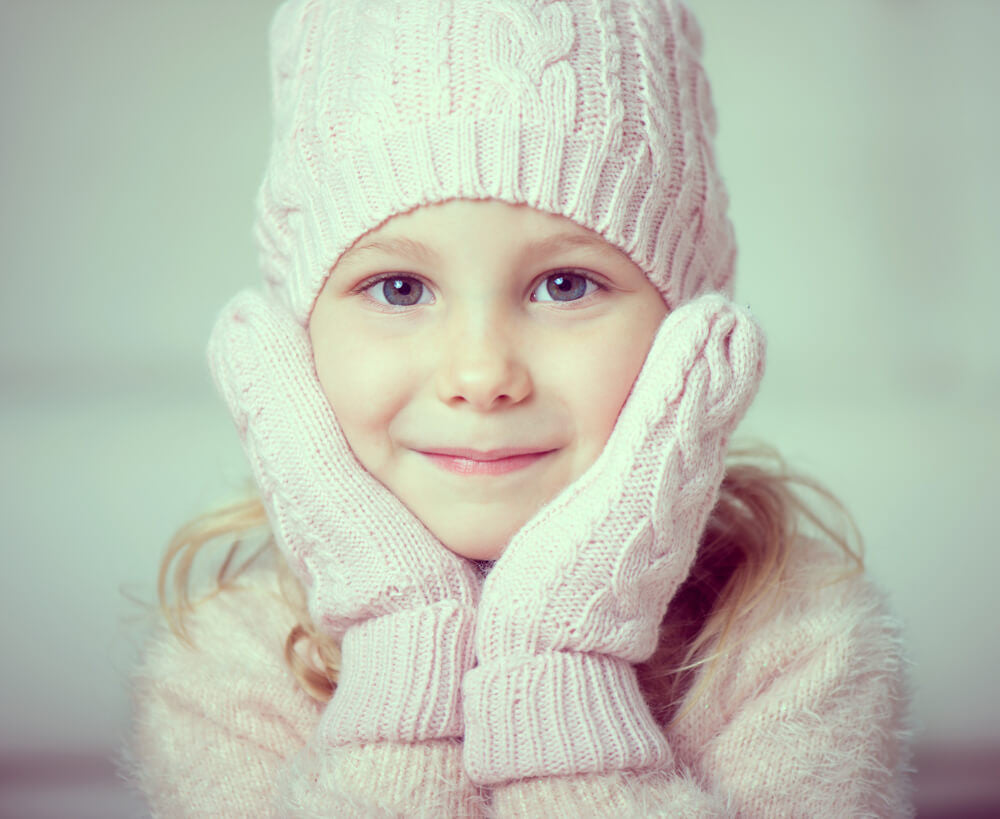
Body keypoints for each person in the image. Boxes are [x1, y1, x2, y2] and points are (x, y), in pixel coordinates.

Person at [122, 0, 917, 815]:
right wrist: (403, 652)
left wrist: (563, 665)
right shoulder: (226, 665)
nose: (480, 373)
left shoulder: (797, 636)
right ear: (298, 340)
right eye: (399, 288)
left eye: (565, 284)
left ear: (687, 334)